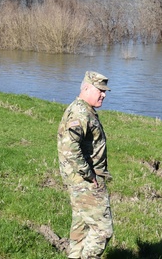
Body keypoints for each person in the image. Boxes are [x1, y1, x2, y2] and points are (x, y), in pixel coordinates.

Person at [57, 71, 114, 259]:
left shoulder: (83, 110)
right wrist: (89, 174)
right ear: (87, 88)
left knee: (80, 230)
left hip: (79, 181)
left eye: (105, 91)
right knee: (102, 230)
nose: (104, 95)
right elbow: (69, 148)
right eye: (101, 90)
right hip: (86, 183)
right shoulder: (80, 112)